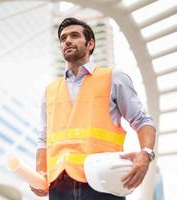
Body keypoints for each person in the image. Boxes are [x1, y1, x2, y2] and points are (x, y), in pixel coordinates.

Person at [30, 17, 156, 200]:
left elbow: (142, 120)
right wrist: (40, 173)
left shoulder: (113, 78)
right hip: (59, 186)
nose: (67, 41)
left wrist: (146, 154)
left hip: (102, 181)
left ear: (90, 44)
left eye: (74, 35)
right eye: (63, 38)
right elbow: (43, 138)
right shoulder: (50, 91)